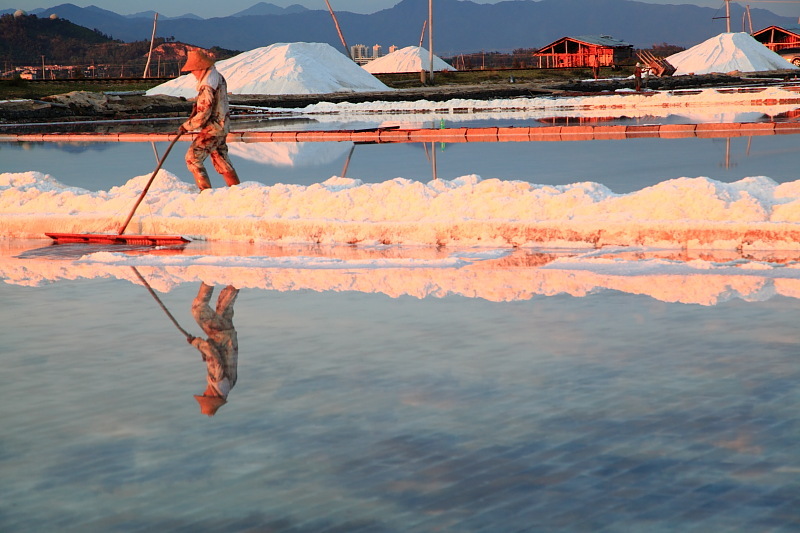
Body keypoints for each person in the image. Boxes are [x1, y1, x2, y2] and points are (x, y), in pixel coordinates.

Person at [178, 49, 240, 191]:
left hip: (213, 128)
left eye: (193, 70)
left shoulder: (207, 85)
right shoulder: (217, 77)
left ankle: (205, 192)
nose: (192, 73)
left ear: (200, 68)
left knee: (193, 158)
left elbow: (204, 112)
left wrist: (187, 126)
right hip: (222, 125)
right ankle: (237, 190)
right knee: (220, 157)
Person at [187, 283, 240, 416]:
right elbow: (213, 356)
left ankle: (237, 282)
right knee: (198, 309)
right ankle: (208, 281)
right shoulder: (217, 381)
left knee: (223, 309)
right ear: (212, 396)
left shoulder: (227, 386)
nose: (204, 391)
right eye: (205, 395)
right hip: (221, 335)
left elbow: (220, 357)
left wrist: (202, 350)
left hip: (228, 338)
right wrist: (196, 343)